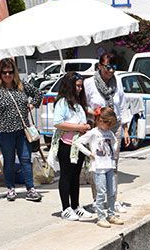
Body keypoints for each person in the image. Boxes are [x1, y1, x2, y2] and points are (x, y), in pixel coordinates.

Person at [0, 58, 43, 202]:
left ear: (14, 72)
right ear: (0, 73)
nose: (7, 75)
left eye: (10, 72)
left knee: (25, 159)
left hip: (22, 131)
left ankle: (31, 189)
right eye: (4, 72)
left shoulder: (21, 86)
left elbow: (38, 94)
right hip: (4, 132)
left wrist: (32, 105)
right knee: (9, 161)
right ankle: (10, 188)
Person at [84, 52, 130, 213]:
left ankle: (112, 199)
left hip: (114, 125)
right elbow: (83, 105)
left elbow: (122, 104)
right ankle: (98, 199)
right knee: (97, 164)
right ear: (99, 66)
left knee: (113, 164)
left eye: (114, 68)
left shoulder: (117, 82)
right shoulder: (89, 83)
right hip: (97, 126)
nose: (110, 71)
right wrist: (94, 113)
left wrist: (125, 129)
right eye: (107, 67)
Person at [52, 72, 94, 221]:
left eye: (81, 86)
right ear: (70, 86)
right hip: (66, 144)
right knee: (66, 175)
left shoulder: (78, 102)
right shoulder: (62, 102)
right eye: (77, 86)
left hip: (79, 144)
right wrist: (78, 127)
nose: (80, 89)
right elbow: (57, 122)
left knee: (76, 176)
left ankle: (76, 206)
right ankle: (66, 208)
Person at [75, 107, 124, 229]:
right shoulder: (94, 132)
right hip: (99, 167)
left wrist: (113, 152)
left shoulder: (110, 133)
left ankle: (111, 214)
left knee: (112, 191)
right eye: (107, 124)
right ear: (99, 120)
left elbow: (115, 142)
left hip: (109, 165)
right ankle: (101, 216)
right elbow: (78, 142)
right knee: (101, 192)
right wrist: (89, 153)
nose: (108, 127)